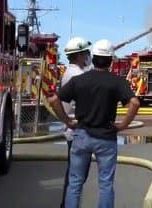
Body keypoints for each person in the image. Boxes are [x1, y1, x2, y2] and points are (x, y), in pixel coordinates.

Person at [49, 39, 140, 208]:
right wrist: (122, 125)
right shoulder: (117, 81)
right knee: (105, 184)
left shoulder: (79, 80)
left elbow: (54, 99)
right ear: (110, 60)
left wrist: (67, 121)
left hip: (82, 135)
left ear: (94, 57)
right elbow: (134, 103)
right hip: (106, 137)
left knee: (74, 183)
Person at [59, 36, 93, 208]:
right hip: (78, 133)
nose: (89, 56)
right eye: (86, 53)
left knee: (73, 177)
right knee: (76, 178)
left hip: (72, 130)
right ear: (79, 55)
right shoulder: (78, 76)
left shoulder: (69, 73)